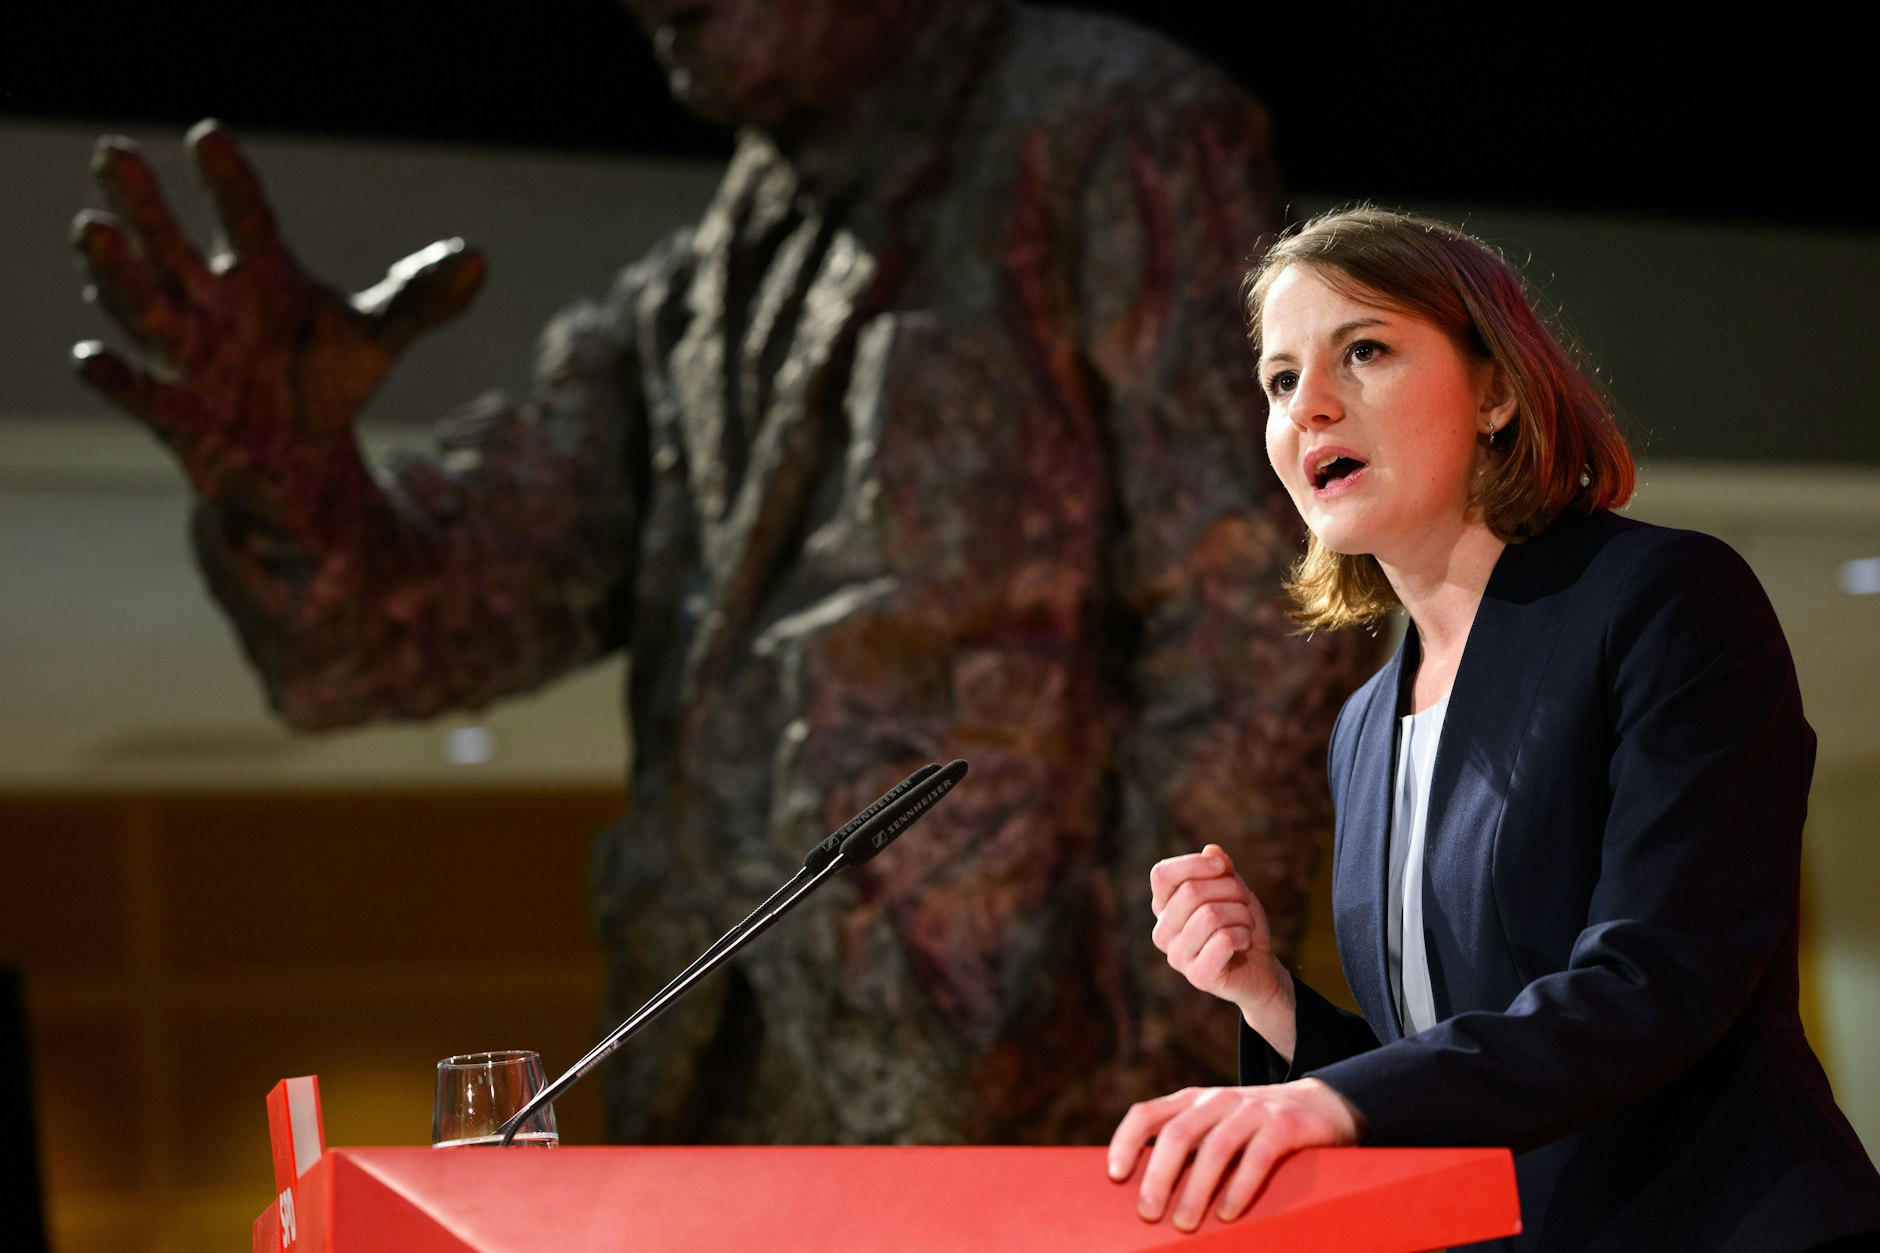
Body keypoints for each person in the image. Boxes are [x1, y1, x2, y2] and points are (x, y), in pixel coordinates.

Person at [68, 1, 1372, 1144]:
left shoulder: (1107, 127)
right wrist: (295, 483)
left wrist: (1179, 1068)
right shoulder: (691, 292)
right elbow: (414, 627)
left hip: (1029, 1099)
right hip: (710, 1095)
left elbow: (1249, 611)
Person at [1105, 206, 1880, 1250]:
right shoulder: (1363, 723)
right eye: (1279, 380)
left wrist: (1332, 1103)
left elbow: (1651, 979)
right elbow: (1437, 1055)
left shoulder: (1659, 598)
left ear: (1498, 391)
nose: (1310, 405)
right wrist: (1268, 996)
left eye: (1363, 350)